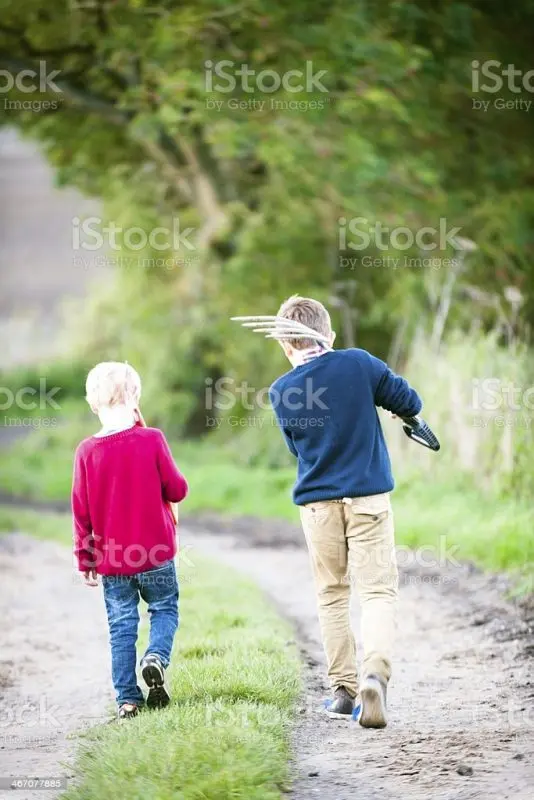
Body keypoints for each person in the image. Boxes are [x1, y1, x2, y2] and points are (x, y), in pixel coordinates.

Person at [269, 296, 422, 728]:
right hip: (368, 499)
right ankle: (375, 674)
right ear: (329, 335)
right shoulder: (358, 363)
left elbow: (296, 447)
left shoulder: (281, 392)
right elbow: (409, 400)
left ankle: (343, 691)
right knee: (376, 591)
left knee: (332, 593)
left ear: (285, 345)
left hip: (318, 507)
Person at [71, 361, 188, 721]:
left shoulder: (86, 451)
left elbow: (82, 512)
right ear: (135, 396)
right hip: (155, 553)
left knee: (121, 627)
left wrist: (85, 559)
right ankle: (155, 657)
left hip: (112, 560)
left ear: (94, 404)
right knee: (164, 608)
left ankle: (127, 699)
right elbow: (177, 489)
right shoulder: (151, 439)